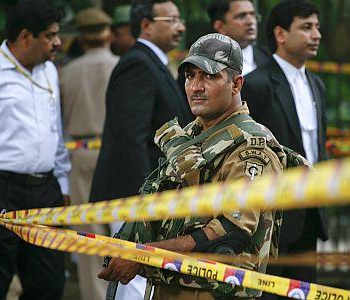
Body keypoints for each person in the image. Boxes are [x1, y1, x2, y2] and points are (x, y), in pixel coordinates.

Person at [98, 33, 287, 300]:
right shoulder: (190, 136)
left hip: (214, 292)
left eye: (208, 76)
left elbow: (230, 233)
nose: (195, 86)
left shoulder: (250, 148)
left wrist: (143, 257)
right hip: (168, 285)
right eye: (190, 76)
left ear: (236, 84)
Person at [89, 1, 193, 298]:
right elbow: (128, 138)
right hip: (135, 196)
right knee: (131, 277)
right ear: (146, 25)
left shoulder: (156, 63)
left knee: (140, 277)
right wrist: (143, 203)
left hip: (149, 196)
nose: (180, 27)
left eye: (180, 20)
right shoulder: (138, 63)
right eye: (171, 20)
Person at [0, 1, 70, 299]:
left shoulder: (49, 73)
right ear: (25, 36)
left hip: (45, 190)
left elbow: (55, 130)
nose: (57, 42)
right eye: (50, 35)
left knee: (48, 283)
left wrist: (63, 184)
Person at [241, 0, 328, 294]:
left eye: (316, 27)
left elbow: (317, 149)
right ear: (280, 34)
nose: (316, 34)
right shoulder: (256, 85)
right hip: (270, 219)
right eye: (306, 27)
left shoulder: (317, 84)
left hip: (311, 213)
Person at [60, 7, 118, 300]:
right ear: (108, 34)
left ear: (81, 38)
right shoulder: (121, 66)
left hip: (79, 153)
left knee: (88, 233)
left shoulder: (66, 72)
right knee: (122, 228)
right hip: (116, 152)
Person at [207, 0, 270, 76]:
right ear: (220, 26)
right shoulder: (204, 63)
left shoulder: (270, 58)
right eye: (241, 16)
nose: (250, 21)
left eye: (253, 15)